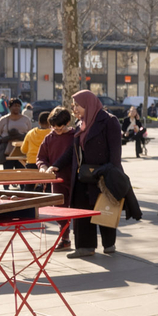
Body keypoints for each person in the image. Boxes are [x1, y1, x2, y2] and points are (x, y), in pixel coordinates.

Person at [50, 91, 124, 258]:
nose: (73, 108)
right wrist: (56, 165)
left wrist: (110, 173)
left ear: (88, 104)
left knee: (105, 208)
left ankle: (108, 243)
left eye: (77, 105)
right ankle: (85, 247)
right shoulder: (80, 123)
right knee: (82, 211)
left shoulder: (109, 121)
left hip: (103, 175)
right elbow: (72, 150)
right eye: (73, 105)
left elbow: (115, 153)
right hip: (83, 176)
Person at [37, 107, 76, 222]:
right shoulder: (49, 138)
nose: (56, 131)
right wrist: (43, 166)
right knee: (60, 211)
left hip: (74, 179)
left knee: (77, 211)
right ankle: (64, 237)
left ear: (67, 123)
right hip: (57, 180)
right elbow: (41, 156)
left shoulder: (74, 136)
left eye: (60, 128)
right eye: (53, 128)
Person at [0, 98, 32, 169]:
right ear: (9, 107)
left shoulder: (26, 119)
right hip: (7, 152)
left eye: (18, 106)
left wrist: (20, 136)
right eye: (15, 106)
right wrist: (9, 137)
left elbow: (30, 134)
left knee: (21, 173)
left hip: (21, 151)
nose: (17, 108)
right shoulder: (3, 120)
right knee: (7, 173)